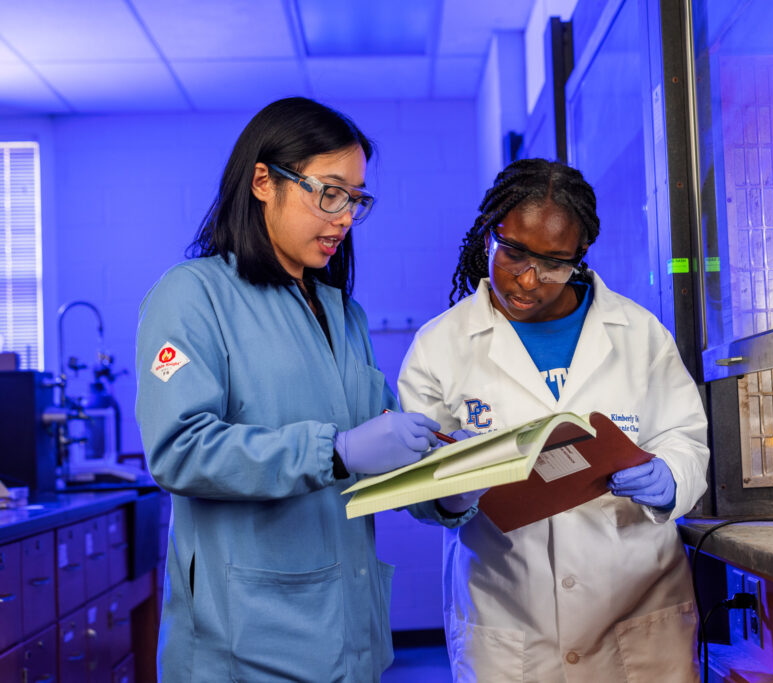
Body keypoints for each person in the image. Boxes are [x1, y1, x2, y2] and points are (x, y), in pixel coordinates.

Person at [135, 97, 475, 682]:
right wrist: (334, 451)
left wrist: (454, 487)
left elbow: (381, 459)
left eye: (357, 199)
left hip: (350, 637)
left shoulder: (344, 314)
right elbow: (180, 452)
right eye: (330, 192)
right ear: (264, 181)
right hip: (244, 645)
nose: (345, 216)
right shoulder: (192, 297)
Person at [398, 158, 710, 681]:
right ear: (487, 233)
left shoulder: (638, 333)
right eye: (512, 250)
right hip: (509, 621)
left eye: (553, 262)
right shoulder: (440, 346)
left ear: (580, 257)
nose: (526, 278)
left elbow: (685, 436)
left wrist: (670, 477)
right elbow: (419, 483)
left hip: (636, 613)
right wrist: (450, 493)